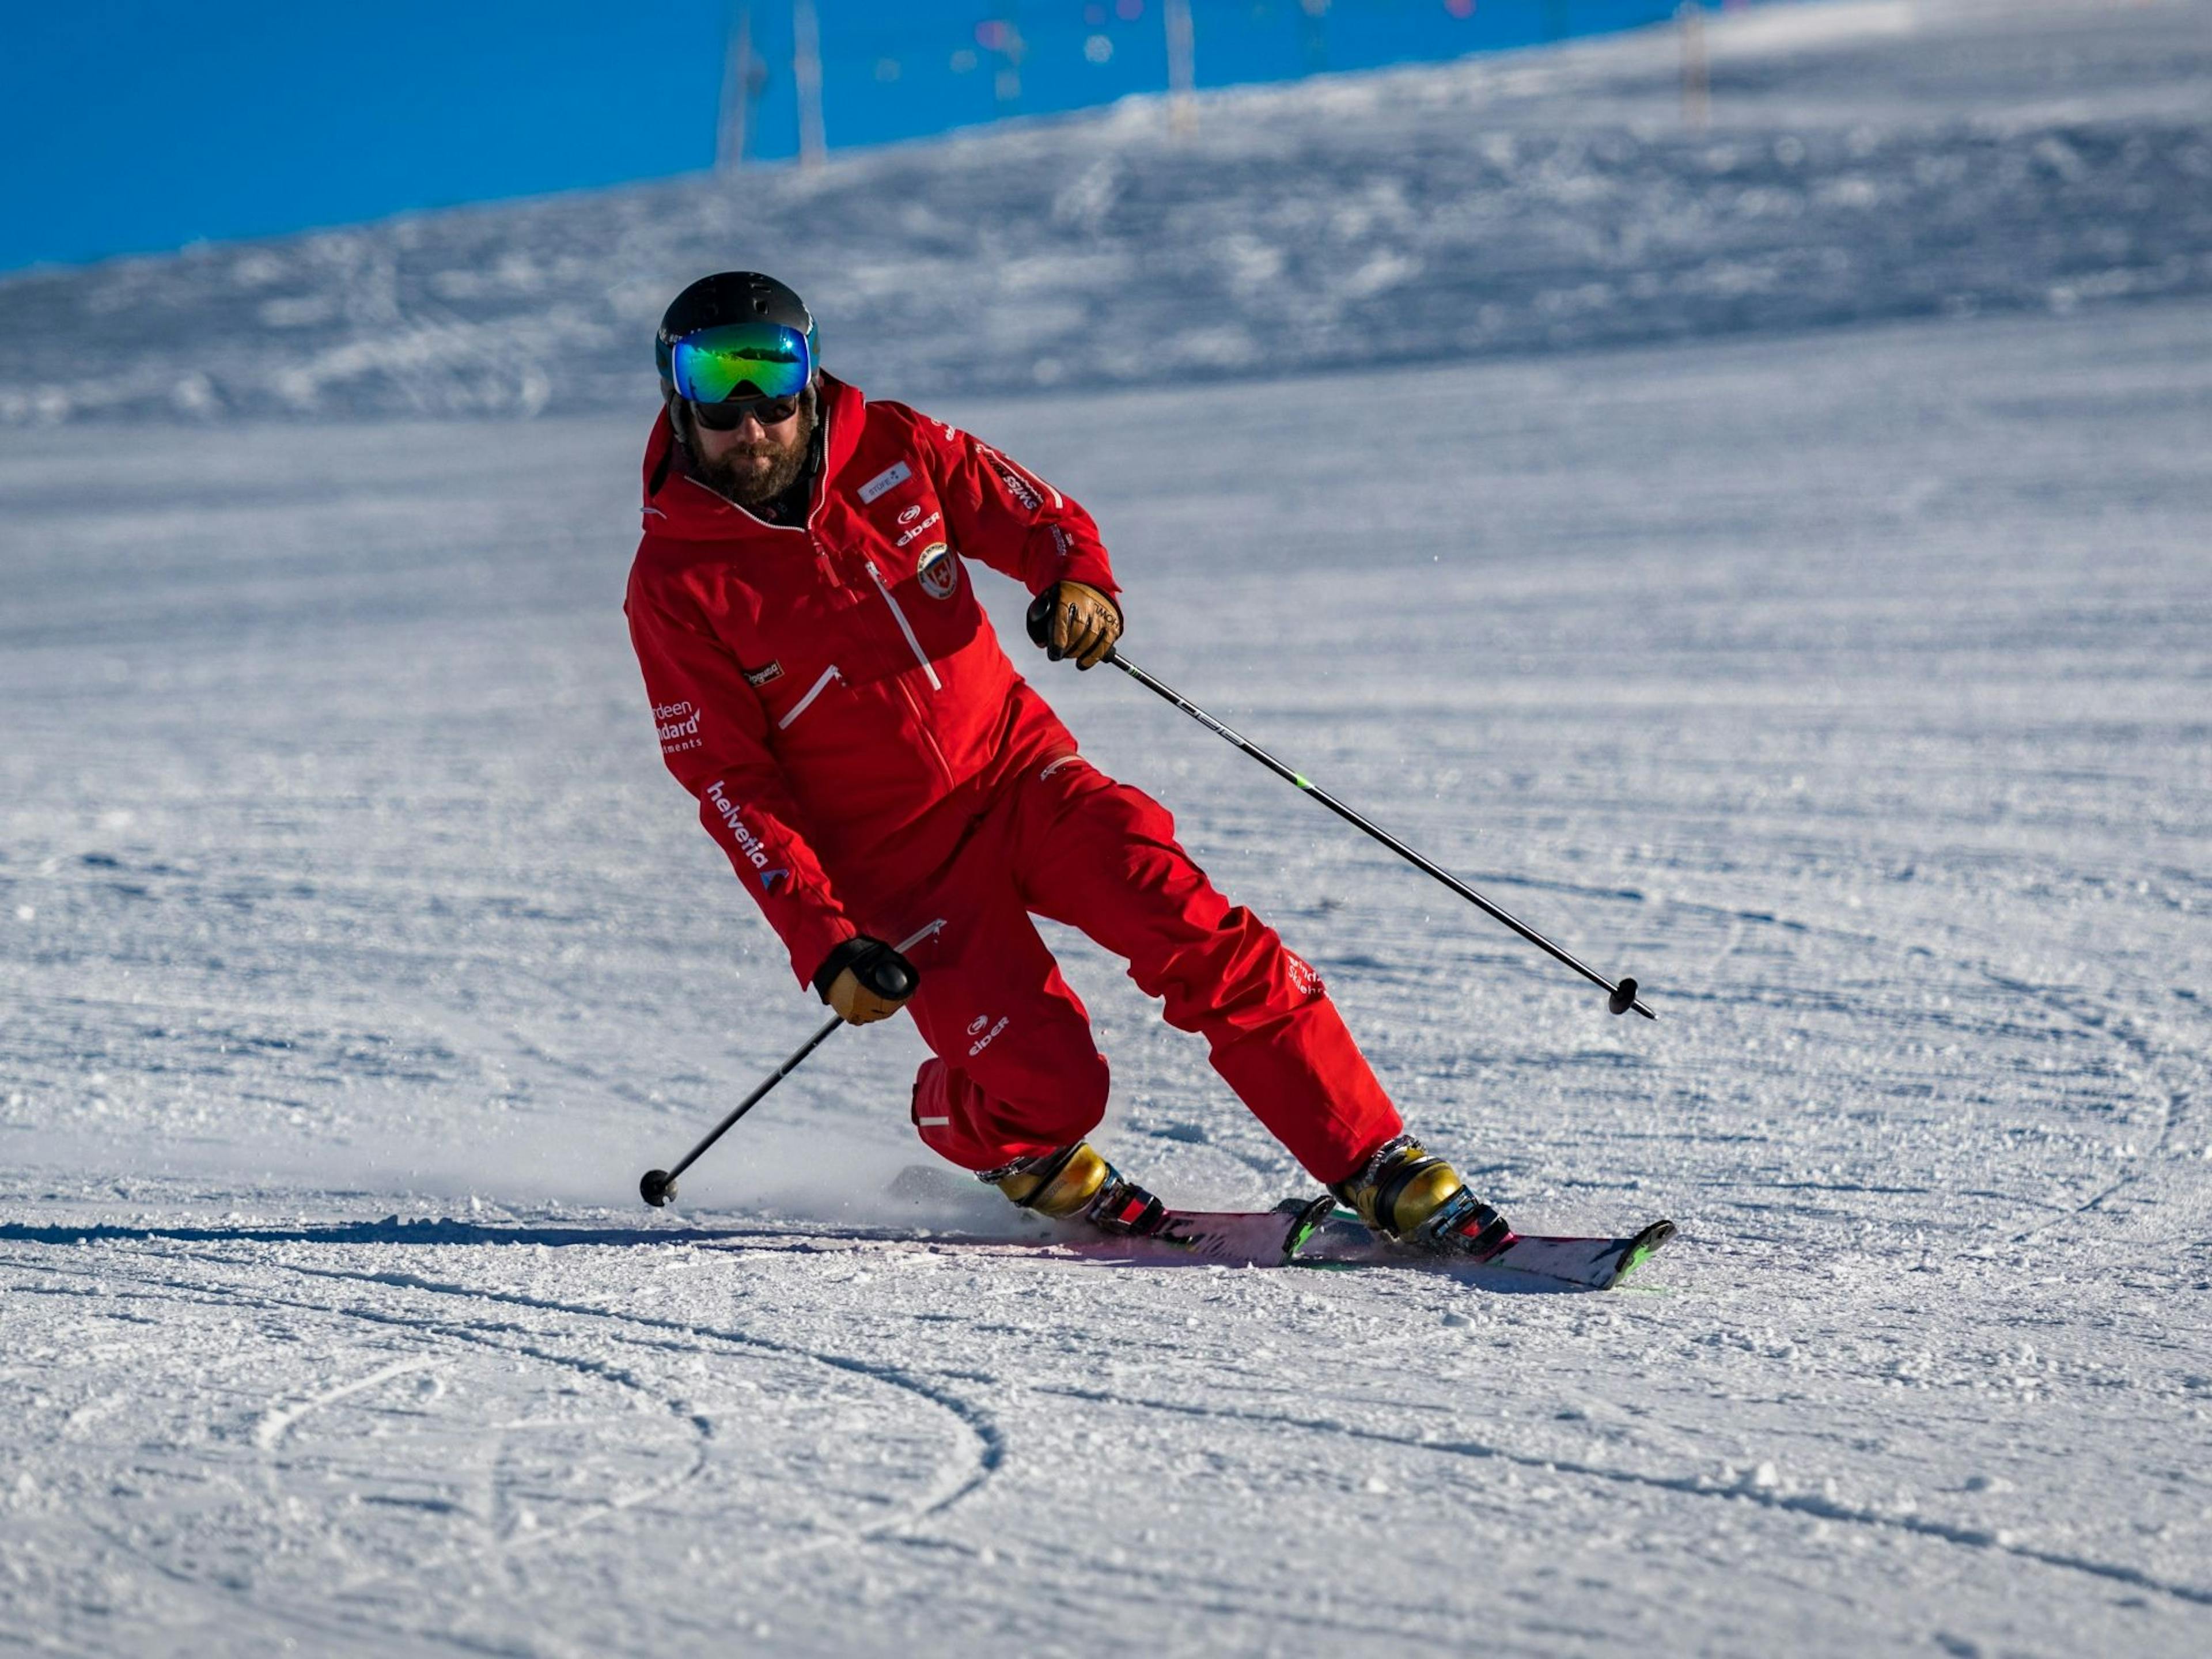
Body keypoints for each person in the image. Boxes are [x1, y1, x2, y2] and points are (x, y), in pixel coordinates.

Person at [624, 271, 1510, 1255]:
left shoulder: (898, 446)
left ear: (811, 372)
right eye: (717, 388)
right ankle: (968, 1120)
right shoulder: (675, 582)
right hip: (898, 866)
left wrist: (1077, 583)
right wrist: (826, 941)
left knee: (1197, 932)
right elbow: (730, 786)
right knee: (1055, 1088)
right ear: (677, 394)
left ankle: (1375, 1161)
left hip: (1021, 775)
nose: (751, 423)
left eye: (774, 381)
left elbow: (1039, 516)